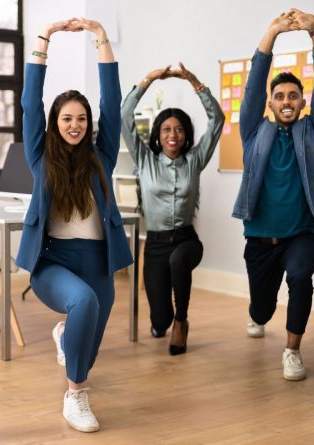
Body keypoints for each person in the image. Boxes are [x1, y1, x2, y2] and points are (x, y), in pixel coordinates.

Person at [15, 17, 132, 433]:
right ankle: (75, 396)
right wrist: (44, 40)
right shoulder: (39, 157)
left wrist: (102, 39)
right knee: (83, 304)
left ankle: (67, 338)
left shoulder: (103, 157)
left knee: (87, 344)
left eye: (81, 118)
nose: (75, 125)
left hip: (98, 261)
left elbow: (113, 103)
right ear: (55, 123)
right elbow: (31, 102)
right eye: (67, 118)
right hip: (53, 263)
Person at [232, 9, 314, 381]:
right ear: (271, 103)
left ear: (302, 104)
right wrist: (272, 33)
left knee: (301, 279)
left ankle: (292, 350)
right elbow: (252, 83)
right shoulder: (253, 131)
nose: (287, 100)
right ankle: (258, 313)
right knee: (262, 307)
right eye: (279, 96)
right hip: (260, 236)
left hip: (301, 232)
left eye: (294, 95)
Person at [120, 63, 224, 355]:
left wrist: (194, 81)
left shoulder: (195, 159)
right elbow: (124, 116)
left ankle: (182, 321)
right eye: (166, 129)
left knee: (180, 261)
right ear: (158, 133)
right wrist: (149, 79)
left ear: (186, 133)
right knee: (158, 319)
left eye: (179, 129)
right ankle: (166, 321)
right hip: (155, 245)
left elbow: (217, 120)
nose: (173, 135)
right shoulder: (145, 160)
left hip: (186, 240)